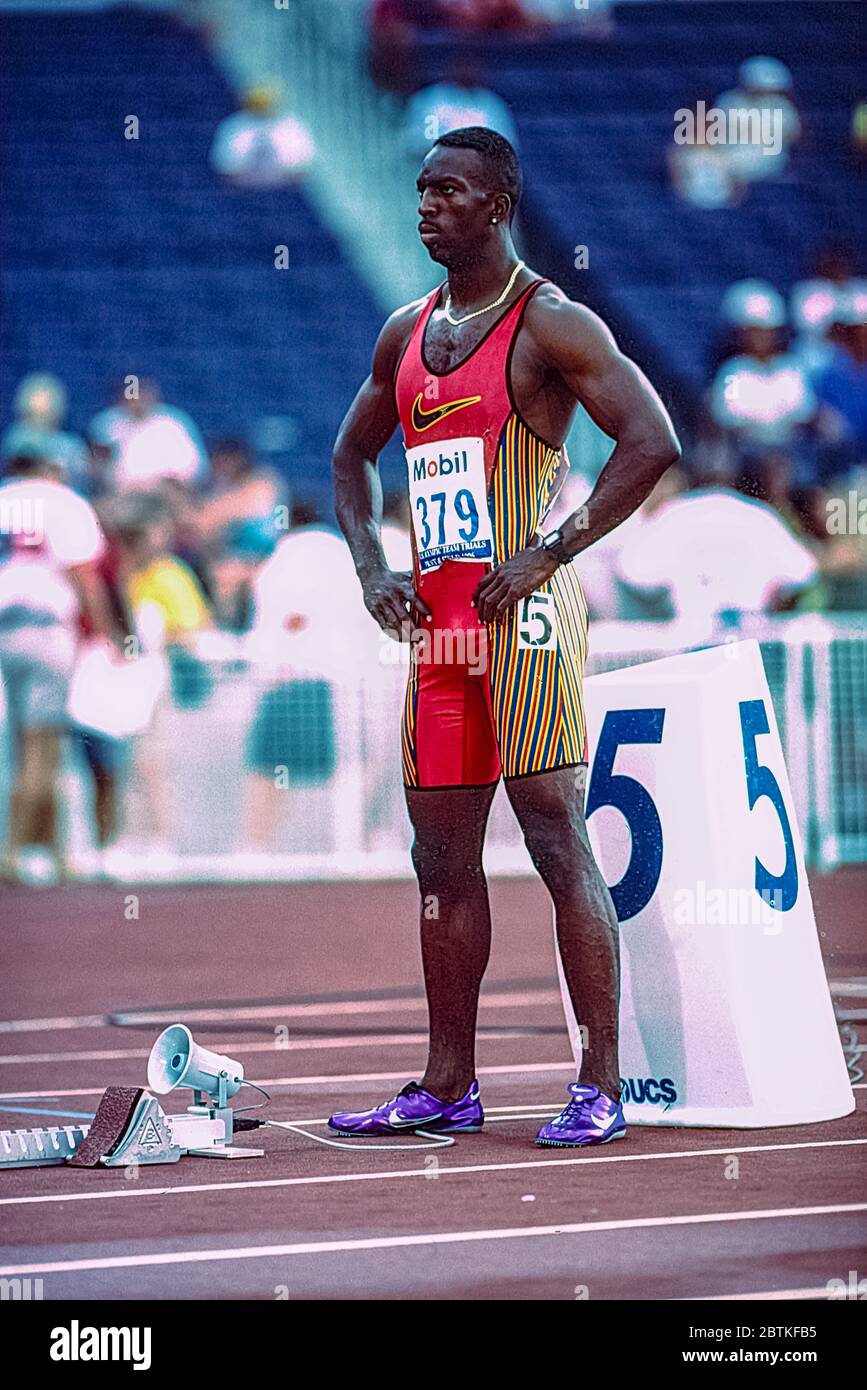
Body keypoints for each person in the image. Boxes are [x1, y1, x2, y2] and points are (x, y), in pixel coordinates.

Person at [330, 126, 680, 1145]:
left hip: (522, 622)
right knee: (438, 862)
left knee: (554, 840)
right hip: (438, 634)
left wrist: (551, 550)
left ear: (497, 203)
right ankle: (448, 1083)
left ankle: (601, 1081)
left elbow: (653, 439)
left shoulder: (549, 323)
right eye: (421, 189)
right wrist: (371, 570)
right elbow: (349, 459)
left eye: (448, 190)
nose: (427, 205)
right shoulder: (405, 332)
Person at [0, 454, 115, 884]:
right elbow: (84, 576)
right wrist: (106, 634)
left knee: (17, 749)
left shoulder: (5, 497)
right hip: (46, 631)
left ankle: (52, 852)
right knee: (43, 749)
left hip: (5, 629)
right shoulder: (63, 503)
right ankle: (15, 854)